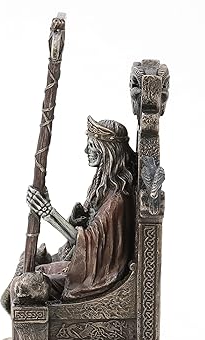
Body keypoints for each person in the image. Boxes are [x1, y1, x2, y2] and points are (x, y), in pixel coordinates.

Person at [22, 116, 136, 302]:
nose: (86, 150)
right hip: (86, 268)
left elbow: (87, 242)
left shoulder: (117, 200)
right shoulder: (103, 187)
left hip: (96, 278)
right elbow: (85, 235)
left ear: (106, 151)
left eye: (91, 145)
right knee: (31, 268)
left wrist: (48, 213)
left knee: (30, 282)